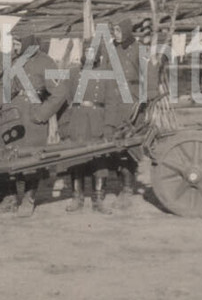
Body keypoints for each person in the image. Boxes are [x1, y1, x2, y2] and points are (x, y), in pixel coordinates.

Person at [0, 33, 64, 217]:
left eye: (18, 43)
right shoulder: (14, 61)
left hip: (32, 117)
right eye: (14, 43)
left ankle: (28, 199)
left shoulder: (46, 62)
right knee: (10, 156)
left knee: (32, 160)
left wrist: (42, 113)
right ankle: (10, 198)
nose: (15, 47)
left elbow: (59, 92)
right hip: (12, 116)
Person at [61, 40, 113, 214]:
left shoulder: (106, 74)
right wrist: (64, 126)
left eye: (93, 51)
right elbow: (65, 101)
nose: (89, 55)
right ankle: (77, 197)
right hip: (78, 119)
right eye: (87, 51)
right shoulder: (74, 73)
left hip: (98, 119)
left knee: (99, 160)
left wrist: (109, 127)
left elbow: (112, 102)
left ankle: (98, 199)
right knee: (77, 160)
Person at [106, 18, 142, 208]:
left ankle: (127, 189)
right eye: (114, 30)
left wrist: (144, 99)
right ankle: (121, 183)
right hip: (114, 102)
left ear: (127, 30)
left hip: (132, 104)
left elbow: (149, 77)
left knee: (128, 146)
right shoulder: (112, 49)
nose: (116, 33)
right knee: (114, 146)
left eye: (119, 30)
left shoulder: (138, 49)